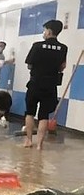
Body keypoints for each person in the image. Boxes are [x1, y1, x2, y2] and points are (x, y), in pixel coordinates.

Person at [24, 19, 67, 150]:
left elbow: (29, 64)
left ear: (49, 31)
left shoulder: (37, 45)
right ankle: (40, 145)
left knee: (30, 113)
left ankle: (29, 140)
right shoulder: (63, 48)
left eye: (44, 30)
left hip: (35, 83)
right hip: (51, 85)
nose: (44, 33)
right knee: (44, 115)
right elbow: (62, 67)